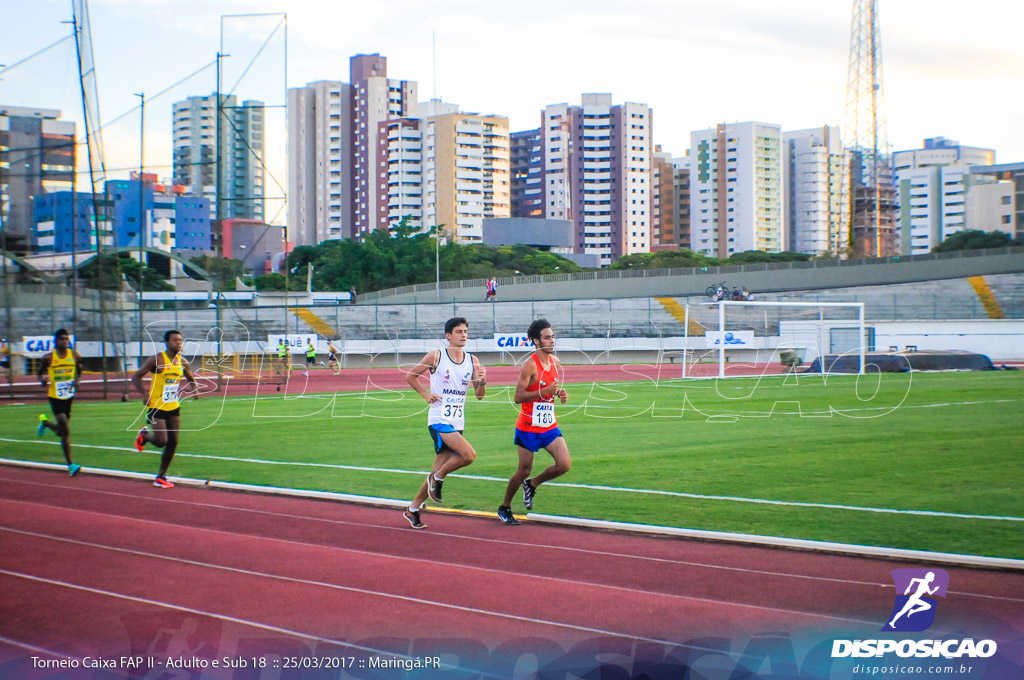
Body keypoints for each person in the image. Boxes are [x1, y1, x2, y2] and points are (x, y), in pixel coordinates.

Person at [402, 317, 487, 529]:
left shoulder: (473, 361)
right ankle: (437, 478)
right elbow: (411, 376)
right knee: (468, 455)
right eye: (459, 331)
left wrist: (482, 382)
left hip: (457, 420)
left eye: (466, 331)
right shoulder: (436, 356)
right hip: (439, 419)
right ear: (448, 335)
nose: (464, 335)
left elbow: (479, 395)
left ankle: (412, 509)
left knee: (437, 469)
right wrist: (425, 394)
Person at [498, 319, 571, 525]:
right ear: (536, 342)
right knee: (523, 470)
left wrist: (559, 394)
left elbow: (552, 389)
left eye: (553, 337)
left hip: (549, 425)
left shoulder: (555, 362)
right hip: (528, 427)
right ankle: (504, 507)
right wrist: (543, 392)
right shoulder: (530, 365)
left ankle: (533, 484)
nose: (552, 340)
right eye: (547, 337)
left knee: (564, 464)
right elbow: (518, 397)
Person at [132, 329, 199, 488]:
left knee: (174, 441)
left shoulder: (183, 362)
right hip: (156, 405)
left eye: (180, 340)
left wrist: (194, 389)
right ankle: (145, 436)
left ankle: (161, 476)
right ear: (167, 342)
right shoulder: (157, 359)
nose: (178, 342)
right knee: (162, 441)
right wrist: (143, 393)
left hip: (173, 405)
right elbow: (136, 376)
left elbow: (190, 377)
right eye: (175, 340)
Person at [36, 328, 83, 476]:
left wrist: (77, 381)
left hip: (68, 396)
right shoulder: (48, 358)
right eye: (62, 339)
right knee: (64, 425)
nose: (65, 341)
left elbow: (79, 370)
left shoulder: (75, 356)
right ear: (56, 341)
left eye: (66, 339)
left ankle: (46, 423)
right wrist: (43, 380)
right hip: (54, 395)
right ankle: (71, 465)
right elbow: (40, 372)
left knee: (61, 431)